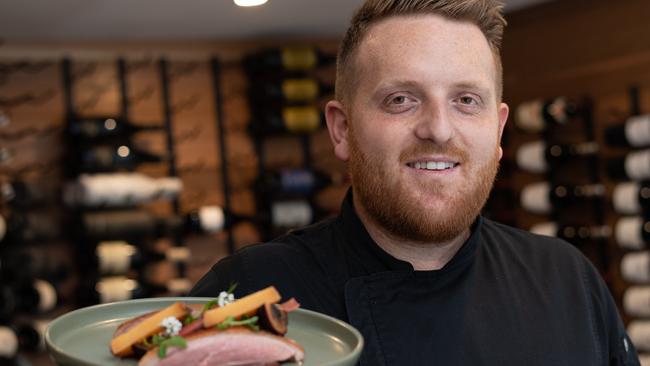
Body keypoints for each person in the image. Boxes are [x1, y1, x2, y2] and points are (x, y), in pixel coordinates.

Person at [191, 0, 641, 364]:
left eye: (466, 100)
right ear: (342, 129)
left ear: (499, 130)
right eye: (401, 99)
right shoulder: (246, 291)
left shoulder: (565, 278)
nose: (439, 129)